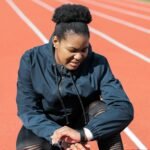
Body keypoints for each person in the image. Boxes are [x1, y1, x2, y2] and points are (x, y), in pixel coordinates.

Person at [16, 4, 134, 150]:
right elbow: (28, 110)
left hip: (83, 124)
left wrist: (83, 134)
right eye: (72, 50)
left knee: (102, 110)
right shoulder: (32, 60)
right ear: (56, 42)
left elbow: (123, 108)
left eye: (84, 49)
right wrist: (59, 136)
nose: (78, 56)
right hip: (47, 125)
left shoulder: (98, 63)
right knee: (28, 147)